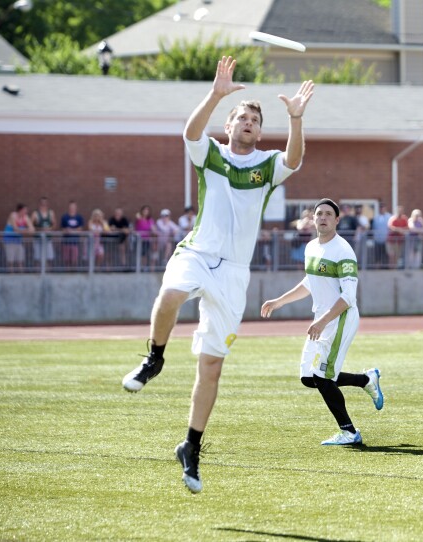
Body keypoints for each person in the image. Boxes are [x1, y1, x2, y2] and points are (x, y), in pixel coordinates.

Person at [120, 56, 314, 494]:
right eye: (241, 116)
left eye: (254, 119)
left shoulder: (267, 165)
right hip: (198, 253)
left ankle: (191, 446)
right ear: (228, 126)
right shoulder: (211, 153)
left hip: (234, 274)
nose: (247, 122)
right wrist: (215, 94)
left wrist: (296, 120)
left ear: (260, 132)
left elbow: (296, 160)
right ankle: (154, 358)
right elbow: (189, 132)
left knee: (211, 368)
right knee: (170, 293)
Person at [260, 198, 384, 446]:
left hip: (340, 318)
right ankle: (365, 380)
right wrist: (279, 301)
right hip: (322, 319)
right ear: (313, 219)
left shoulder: (343, 251)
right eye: (319, 214)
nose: (323, 217)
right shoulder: (311, 248)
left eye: (329, 214)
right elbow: (309, 282)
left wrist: (323, 321)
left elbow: (348, 297)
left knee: (323, 376)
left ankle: (349, 432)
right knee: (309, 378)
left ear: (337, 220)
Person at [4, 203, 34, 272]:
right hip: (9, 241)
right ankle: (11, 275)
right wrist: (27, 230)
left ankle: (21, 275)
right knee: (10, 261)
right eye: (25, 210)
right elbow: (15, 229)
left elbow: (32, 229)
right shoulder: (13, 215)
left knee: (20, 260)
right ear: (20, 210)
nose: (26, 211)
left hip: (18, 241)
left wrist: (23, 231)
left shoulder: (25, 217)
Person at [32, 197, 56, 267]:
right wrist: (40, 229)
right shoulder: (35, 213)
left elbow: (54, 225)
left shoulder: (51, 213)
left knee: (49, 258)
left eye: (45, 203)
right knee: (38, 259)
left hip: (48, 239)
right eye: (42, 203)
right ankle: (38, 275)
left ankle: (48, 274)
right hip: (38, 240)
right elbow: (31, 226)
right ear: (39, 204)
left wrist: (49, 229)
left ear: (47, 204)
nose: (44, 205)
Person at [60, 201, 85, 269]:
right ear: (68, 207)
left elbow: (80, 229)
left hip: (75, 242)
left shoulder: (79, 217)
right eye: (71, 207)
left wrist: (72, 231)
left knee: (74, 259)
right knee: (66, 259)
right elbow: (62, 229)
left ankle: (74, 273)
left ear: (76, 208)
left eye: (73, 207)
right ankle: (67, 272)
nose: (72, 208)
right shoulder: (64, 217)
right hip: (66, 242)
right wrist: (66, 230)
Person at [134, 205, 155, 270]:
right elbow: (137, 217)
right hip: (139, 239)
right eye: (144, 210)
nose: (146, 211)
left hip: (146, 239)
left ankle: (144, 267)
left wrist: (154, 231)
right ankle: (138, 266)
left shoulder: (150, 220)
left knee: (145, 254)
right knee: (139, 253)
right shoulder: (139, 218)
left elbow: (153, 228)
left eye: (147, 210)